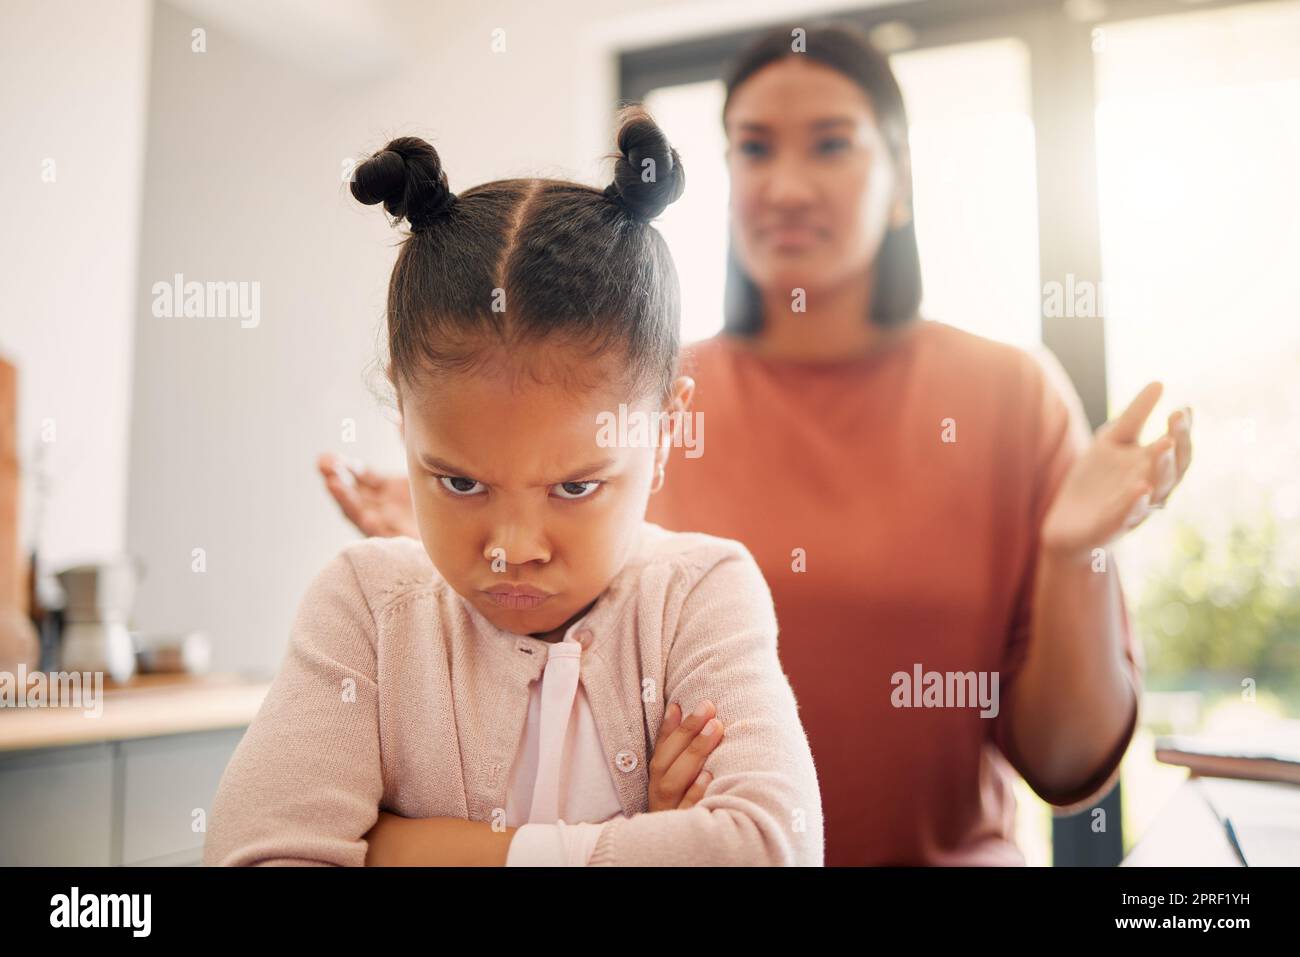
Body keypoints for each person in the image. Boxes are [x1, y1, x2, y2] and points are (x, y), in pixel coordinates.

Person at [318, 24, 1193, 865]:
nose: (785, 185)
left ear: (901, 183)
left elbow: (1068, 766)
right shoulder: (618, 402)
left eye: (832, 144)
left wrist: (1077, 550)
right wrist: (447, 550)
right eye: (755, 148)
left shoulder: (1010, 397)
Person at [206, 108, 823, 866]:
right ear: (403, 414)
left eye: (574, 487)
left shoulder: (700, 594)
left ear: (664, 432)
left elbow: (768, 848)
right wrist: (641, 842)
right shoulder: (365, 610)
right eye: (461, 480)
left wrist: (398, 847)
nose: (512, 550)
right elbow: (255, 857)